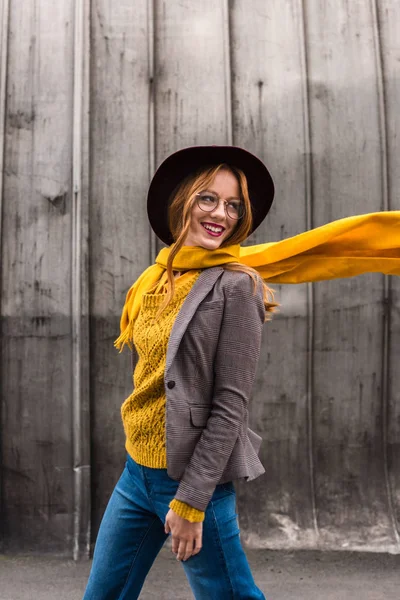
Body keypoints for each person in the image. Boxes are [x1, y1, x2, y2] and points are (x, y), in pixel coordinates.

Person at [83, 145, 400, 600]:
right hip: (136, 473)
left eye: (234, 205)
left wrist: (191, 500)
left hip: (193, 481)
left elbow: (230, 405)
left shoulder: (237, 286)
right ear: (182, 201)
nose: (222, 214)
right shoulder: (154, 279)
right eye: (208, 198)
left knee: (229, 596)